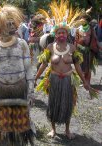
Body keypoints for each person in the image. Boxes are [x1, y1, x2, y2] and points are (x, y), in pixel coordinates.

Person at [34, 0, 90, 139]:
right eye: (58, 32)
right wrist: (35, 78)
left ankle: (67, 130)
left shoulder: (72, 48)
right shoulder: (49, 47)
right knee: (53, 104)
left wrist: (85, 81)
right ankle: (53, 129)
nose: (61, 35)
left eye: (63, 33)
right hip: (53, 79)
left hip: (67, 80)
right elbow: (43, 64)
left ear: (67, 34)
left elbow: (77, 65)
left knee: (67, 104)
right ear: (55, 33)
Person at [0, 5, 35, 146]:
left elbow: (28, 69)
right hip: (3, 89)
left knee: (21, 125)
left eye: (14, 23)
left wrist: (30, 92)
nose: (12, 27)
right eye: (8, 24)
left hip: (20, 88)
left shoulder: (22, 44)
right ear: (0, 27)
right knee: (6, 126)